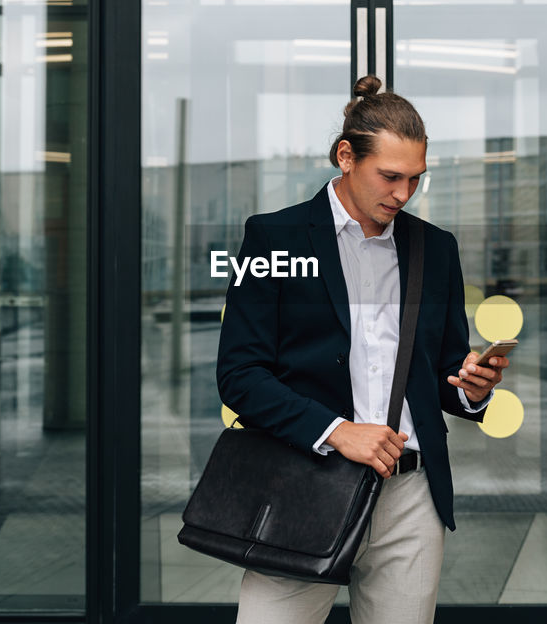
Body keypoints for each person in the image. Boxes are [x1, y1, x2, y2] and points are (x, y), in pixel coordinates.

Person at [216, 75, 511, 624]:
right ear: (346, 157)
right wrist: (335, 430)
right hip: (305, 483)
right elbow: (240, 374)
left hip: (410, 498)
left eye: (415, 180)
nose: (403, 194)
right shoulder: (271, 240)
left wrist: (471, 387)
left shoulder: (436, 249)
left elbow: (444, 365)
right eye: (390, 176)